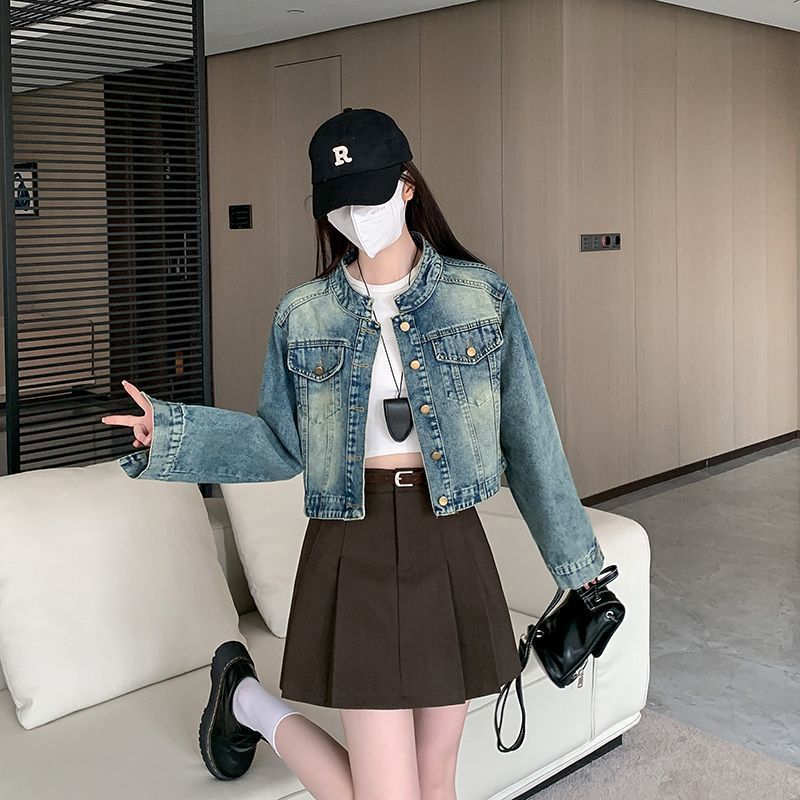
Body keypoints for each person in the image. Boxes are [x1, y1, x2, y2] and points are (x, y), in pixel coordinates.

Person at [101, 107, 602, 800]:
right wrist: (175, 434)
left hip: (449, 535)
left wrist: (579, 570)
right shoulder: (304, 313)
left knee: (437, 780)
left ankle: (244, 700)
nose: (355, 219)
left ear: (406, 187)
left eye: (369, 198)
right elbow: (280, 444)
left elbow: (530, 437)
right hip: (351, 542)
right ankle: (250, 703)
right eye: (340, 206)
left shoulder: (478, 297)